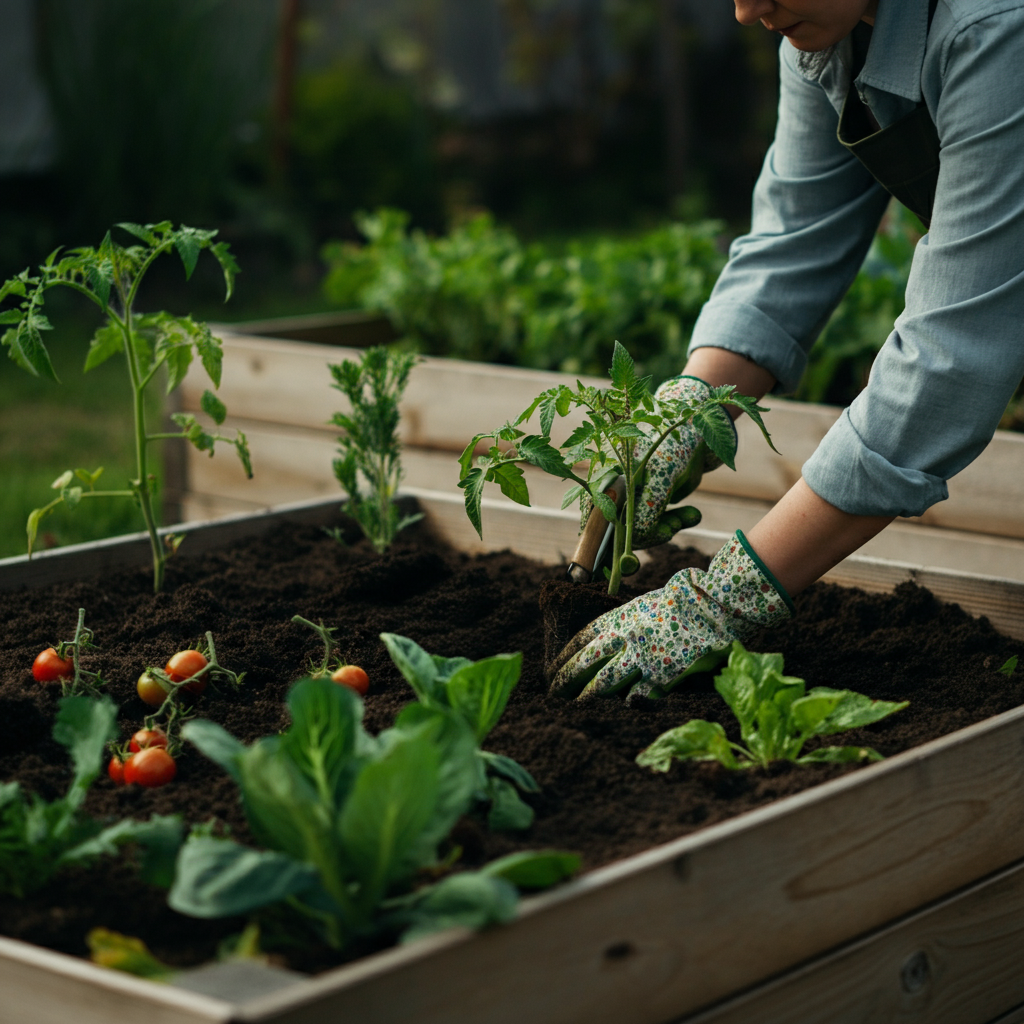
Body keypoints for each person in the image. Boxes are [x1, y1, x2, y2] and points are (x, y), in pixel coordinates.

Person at [549, 0, 1024, 700]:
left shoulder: (995, 31)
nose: (746, 10)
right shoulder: (828, 29)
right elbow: (790, 247)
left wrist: (728, 596)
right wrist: (678, 421)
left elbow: (949, 355)